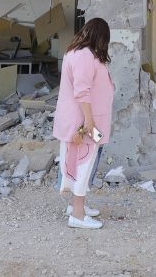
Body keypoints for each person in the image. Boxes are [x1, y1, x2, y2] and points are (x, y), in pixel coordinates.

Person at [52, 18, 114, 229]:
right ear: (100, 36)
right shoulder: (84, 56)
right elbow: (82, 90)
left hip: (88, 122)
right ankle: (77, 215)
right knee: (83, 166)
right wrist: (89, 121)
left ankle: (78, 206)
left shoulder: (79, 53)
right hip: (84, 122)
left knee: (84, 163)